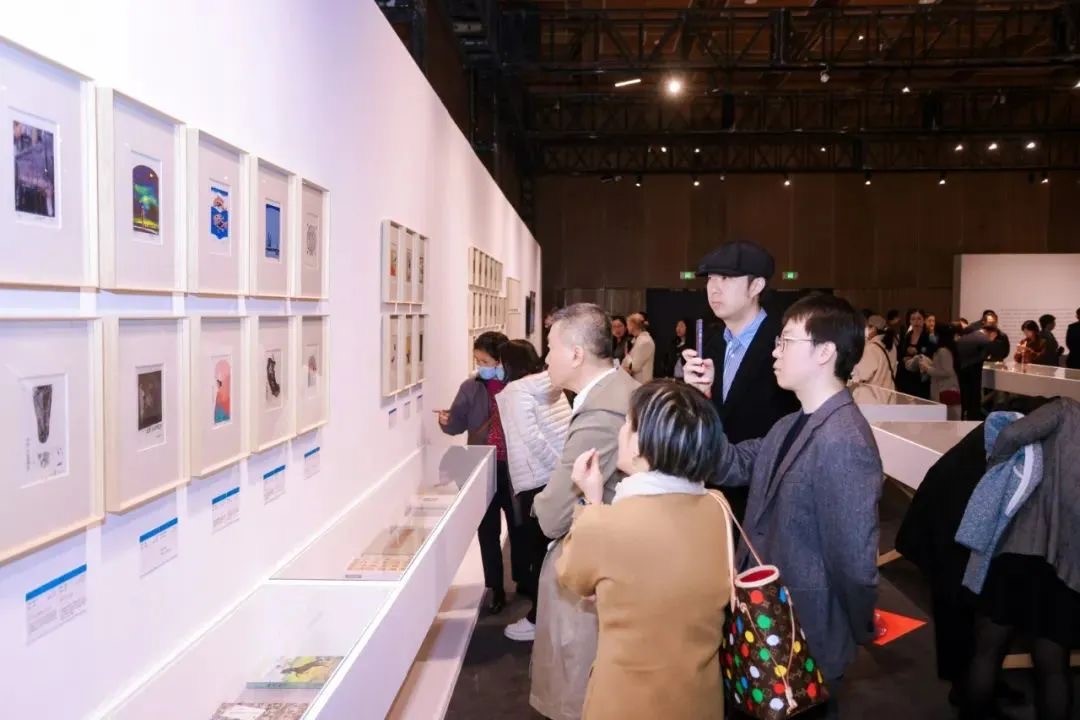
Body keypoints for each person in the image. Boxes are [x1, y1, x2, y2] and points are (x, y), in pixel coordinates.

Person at [684, 293, 882, 719]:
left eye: (786, 341)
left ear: (825, 352)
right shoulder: (791, 423)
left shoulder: (844, 440)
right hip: (769, 623)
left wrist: (858, 627)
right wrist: (703, 398)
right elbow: (729, 464)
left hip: (806, 629)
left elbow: (855, 562)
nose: (775, 351)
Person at [556, 380, 732, 720]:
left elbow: (573, 576)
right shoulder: (718, 508)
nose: (622, 430)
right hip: (700, 701)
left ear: (639, 444)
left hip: (626, 704)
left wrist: (590, 501)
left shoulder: (604, 524)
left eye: (628, 423)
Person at [530, 303, 639, 720]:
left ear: (576, 354)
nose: (546, 358)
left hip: (594, 567)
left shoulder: (601, 412)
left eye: (551, 346)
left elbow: (553, 515)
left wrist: (540, 502)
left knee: (578, 689)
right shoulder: (616, 392)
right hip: (616, 557)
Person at [694, 240, 799, 523]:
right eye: (710, 279)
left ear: (756, 287)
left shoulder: (785, 344)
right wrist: (699, 394)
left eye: (726, 278)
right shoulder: (713, 345)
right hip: (716, 493)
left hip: (767, 495)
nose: (713, 288)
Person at [437, 331, 522, 614]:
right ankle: (494, 587)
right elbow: (457, 425)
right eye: (477, 360)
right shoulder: (470, 387)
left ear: (500, 360)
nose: (480, 366)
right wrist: (446, 421)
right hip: (483, 465)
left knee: (519, 526)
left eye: (485, 361)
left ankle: (522, 579)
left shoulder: (518, 385)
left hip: (515, 467)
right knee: (487, 530)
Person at [495, 339, 572, 642]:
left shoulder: (516, 392)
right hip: (558, 476)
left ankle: (539, 619)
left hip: (538, 479)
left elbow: (532, 440)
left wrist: (556, 470)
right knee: (552, 547)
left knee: (538, 552)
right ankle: (553, 614)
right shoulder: (549, 384)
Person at [956, 321, 1002, 421]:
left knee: (963, 399)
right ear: (993, 333)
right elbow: (993, 354)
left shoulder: (967, 337)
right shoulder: (984, 339)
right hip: (973, 372)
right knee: (974, 400)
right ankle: (973, 422)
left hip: (960, 370)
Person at [920, 324, 962, 420]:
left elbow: (947, 372)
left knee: (947, 420)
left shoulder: (943, 351)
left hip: (945, 390)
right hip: (943, 389)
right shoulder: (945, 350)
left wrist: (928, 369)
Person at [896, 308, 935, 399]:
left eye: (919, 318)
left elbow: (932, 355)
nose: (916, 322)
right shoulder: (907, 336)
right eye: (913, 319)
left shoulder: (929, 336)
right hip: (906, 376)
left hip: (921, 377)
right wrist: (904, 356)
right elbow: (899, 354)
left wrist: (917, 352)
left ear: (924, 320)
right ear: (910, 321)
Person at [851, 314, 896, 390]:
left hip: (872, 393)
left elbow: (862, 375)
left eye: (867, 327)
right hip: (888, 391)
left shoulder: (872, 348)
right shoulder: (892, 346)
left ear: (874, 328)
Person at [621, 312, 655, 382]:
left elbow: (634, 366)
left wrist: (627, 355)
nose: (627, 327)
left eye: (628, 325)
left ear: (632, 326)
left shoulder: (645, 341)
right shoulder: (638, 339)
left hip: (641, 382)